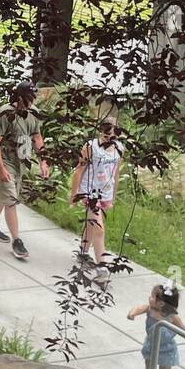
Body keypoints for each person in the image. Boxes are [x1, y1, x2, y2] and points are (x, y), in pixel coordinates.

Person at [0, 81, 49, 261]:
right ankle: (17, 241)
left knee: (4, 194)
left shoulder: (33, 112)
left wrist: (43, 161)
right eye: (28, 99)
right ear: (19, 98)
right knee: (11, 198)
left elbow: (36, 136)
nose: (31, 102)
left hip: (20, 159)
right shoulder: (5, 113)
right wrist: (1, 169)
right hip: (1, 158)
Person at [70, 119, 122, 284]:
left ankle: (83, 252)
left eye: (113, 135)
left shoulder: (119, 149)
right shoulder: (91, 147)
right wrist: (74, 194)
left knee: (92, 224)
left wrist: (112, 196)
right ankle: (102, 268)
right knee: (99, 228)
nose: (109, 138)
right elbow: (79, 169)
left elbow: (116, 173)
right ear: (100, 131)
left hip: (105, 192)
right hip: (90, 192)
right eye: (106, 134)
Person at [128, 284, 185, 369]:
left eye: (152, 296)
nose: (149, 297)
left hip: (167, 348)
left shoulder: (172, 317)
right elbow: (138, 308)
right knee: (149, 365)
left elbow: (184, 331)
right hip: (151, 344)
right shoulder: (150, 309)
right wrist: (132, 314)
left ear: (161, 303)